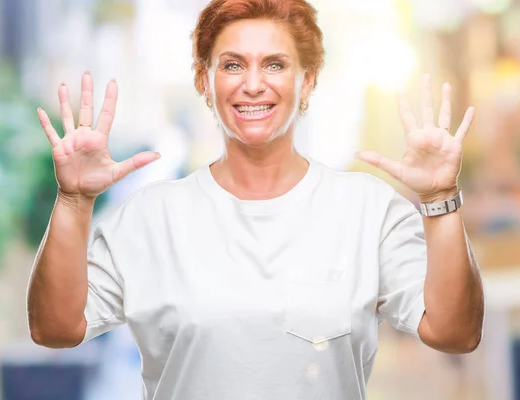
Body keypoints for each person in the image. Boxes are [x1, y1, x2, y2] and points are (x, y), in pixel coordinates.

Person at [27, 0, 485, 398]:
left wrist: (440, 197)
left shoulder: (367, 209)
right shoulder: (151, 217)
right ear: (205, 82)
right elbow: (55, 328)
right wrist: (73, 199)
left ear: (307, 82)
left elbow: (455, 332)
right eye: (231, 64)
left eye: (274, 64)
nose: (252, 84)